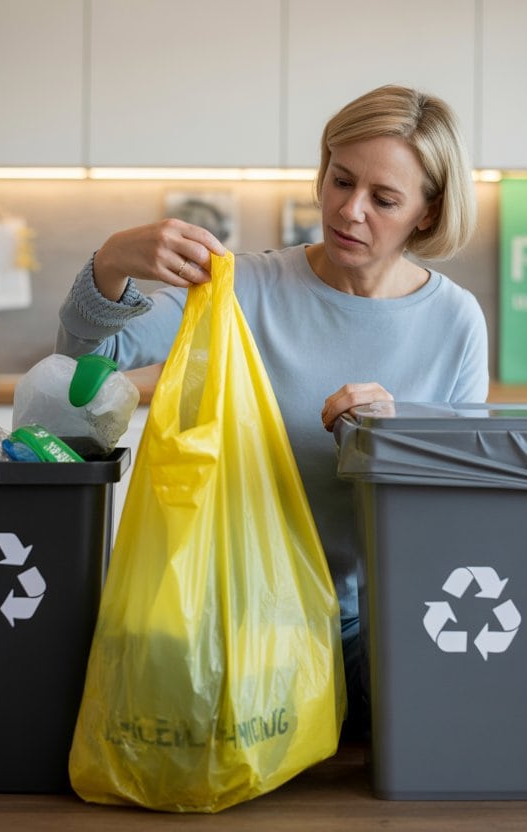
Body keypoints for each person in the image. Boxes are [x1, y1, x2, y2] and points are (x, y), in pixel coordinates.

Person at [56, 84, 489, 737]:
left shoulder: (456, 322)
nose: (349, 210)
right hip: (237, 633)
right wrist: (112, 261)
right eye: (340, 180)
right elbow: (82, 366)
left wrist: (394, 442)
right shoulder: (244, 288)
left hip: (375, 637)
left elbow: (463, 512)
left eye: (384, 198)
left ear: (427, 214)